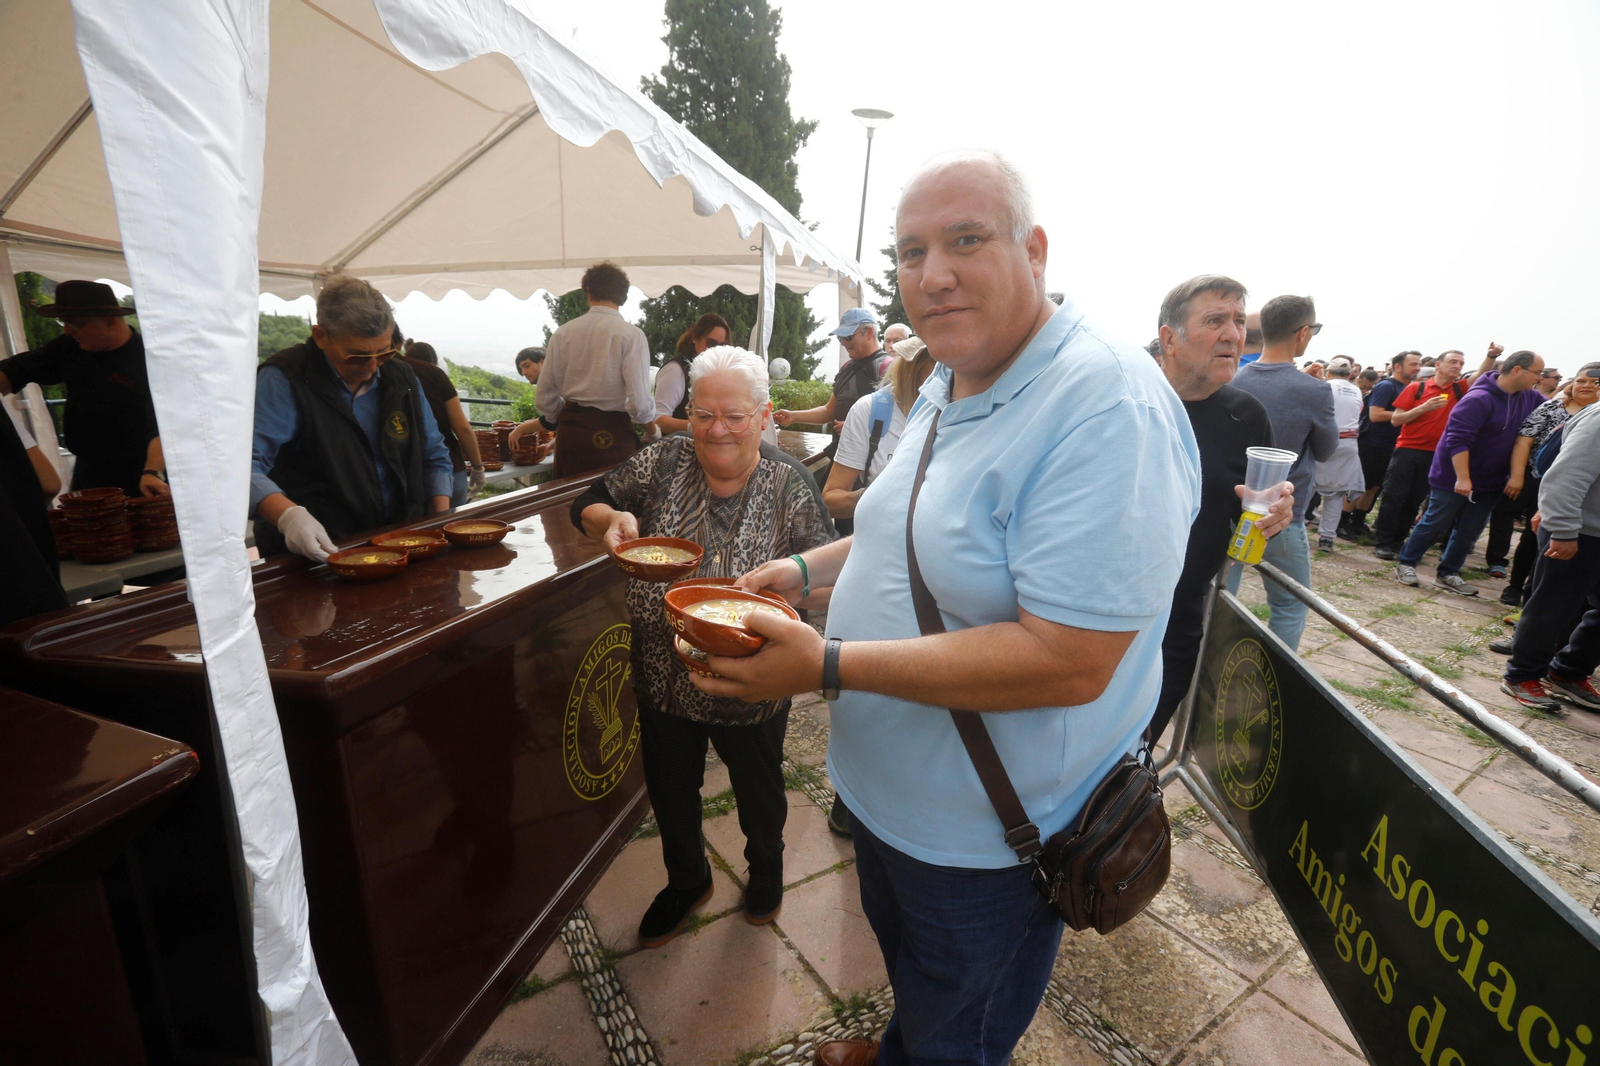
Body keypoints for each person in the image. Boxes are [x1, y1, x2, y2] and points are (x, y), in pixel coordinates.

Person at [696, 151, 1201, 1066]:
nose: (932, 275)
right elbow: (908, 527)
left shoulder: (1105, 404)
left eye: (966, 240)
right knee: (918, 980)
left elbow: (1071, 659)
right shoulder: (950, 372)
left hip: (989, 837)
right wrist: (803, 571)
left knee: (960, 1029)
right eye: (910, 251)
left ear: (1034, 250)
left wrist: (826, 663)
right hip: (889, 799)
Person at [571, 346, 833, 945]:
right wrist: (609, 520)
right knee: (670, 790)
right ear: (688, 413)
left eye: (735, 416)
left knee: (759, 791)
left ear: (763, 415)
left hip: (753, 682)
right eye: (703, 414)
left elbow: (826, 576)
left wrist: (792, 600)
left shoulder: (788, 483)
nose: (717, 430)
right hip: (661, 672)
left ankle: (765, 869)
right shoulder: (663, 460)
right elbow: (585, 501)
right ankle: (687, 880)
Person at [1150, 274, 1292, 745]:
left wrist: (1275, 516)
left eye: (1238, 321)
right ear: (1170, 338)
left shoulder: (1246, 416)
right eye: (1215, 321)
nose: (1234, 334)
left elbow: (1252, 511)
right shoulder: (1124, 398)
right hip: (1095, 612)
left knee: (1133, 754)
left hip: (1178, 619)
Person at [251, 275, 454, 560]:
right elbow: (246, 467)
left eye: (384, 353)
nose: (372, 368)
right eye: (357, 357)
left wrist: (438, 520)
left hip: (398, 539)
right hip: (319, 549)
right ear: (321, 336)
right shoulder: (283, 379)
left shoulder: (402, 376)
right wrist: (288, 515)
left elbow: (434, 453)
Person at [1227, 295, 1338, 650]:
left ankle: (1210, 664)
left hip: (1233, 508)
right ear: (1303, 333)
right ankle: (1273, 671)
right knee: (1290, 605)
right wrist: (1312, 390)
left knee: (1220, 596)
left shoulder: (1234, 378)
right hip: (1282, 513)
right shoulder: (1315, 390)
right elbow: (1326, 450)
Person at [1394, 348, 1547, 595]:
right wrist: (1463, 478)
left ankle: (1448, 572)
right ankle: (1407, 563)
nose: (1540, 378)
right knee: (1435, 521)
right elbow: (1458, 440)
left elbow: (1553, 410)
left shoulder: (1529, 397)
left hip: (1491, 479)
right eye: (1537, 372)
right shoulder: (1478, 398)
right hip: (1454, 476)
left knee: (1470, 530)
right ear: (1517, 370)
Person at [0, 280, 169, 499]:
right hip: (89, 473)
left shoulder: (149, 361)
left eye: (76, 323)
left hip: (142, 473)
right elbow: (16, 370)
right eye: (64, 322)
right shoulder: (70, 348)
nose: (68, 330)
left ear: (110, 322)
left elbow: (164, 425)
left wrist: (152, 471)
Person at [1499, 400, 1600, 712]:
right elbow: (1568, 474)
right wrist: (1564, 530)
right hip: (1581, 531)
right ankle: (1522, 675)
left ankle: (1568, 672)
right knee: (1551, 608)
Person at [531, 262, 656, 479]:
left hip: (571, 436)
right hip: (614, 435)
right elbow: (639, 405)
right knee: (613, 499)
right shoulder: (631, 335)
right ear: (623, 296)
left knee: (567, 499)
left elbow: (544, 400)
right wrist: (653, 432)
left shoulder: (562, 334)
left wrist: (570, 415)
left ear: (588, 292)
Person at [1491, 362, 1600, 606]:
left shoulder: (1595, 414)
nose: (1587, 386)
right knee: (1532, 538)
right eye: (1581, 380)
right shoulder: (1554, 406)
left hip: (1581, 493)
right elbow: (1524, 440)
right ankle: (1514, 586)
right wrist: (1517, 476)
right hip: (1537, 480)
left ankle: (1533, 598)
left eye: (1595, 382)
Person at [1371, 349, 1469, 559]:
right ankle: (1383, 541)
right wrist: (1423, 408)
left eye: (1461, 363)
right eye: (1453, 362)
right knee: (1394, 496)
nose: (1457, 366)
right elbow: (1396, 420)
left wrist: (1491, 357)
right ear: (1438, 365)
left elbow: (1481, 375)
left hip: (1436, 454)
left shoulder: (1459, 389)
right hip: (1408, 449)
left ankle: (1398, 541)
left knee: (1414, 500)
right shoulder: (1417, 387)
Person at [772, 307, 883, 451]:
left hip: (869, 461)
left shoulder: (884, 367)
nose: (843, 342)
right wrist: (793, 416)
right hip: (840, 455)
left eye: (848, 336)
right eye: (840, 337)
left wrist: (860, 428)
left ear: (869, 332)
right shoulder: (847, 367)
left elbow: (898, 418)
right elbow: (829, 411)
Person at [402, 341, 485, 506]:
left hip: (408, 472)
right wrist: (478, 467)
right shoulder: (435, 375)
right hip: (450, 467)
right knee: (452, 521)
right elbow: (462, 428)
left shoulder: (387, 373)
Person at [1364, 351, 1422, 556]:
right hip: (1375, 444)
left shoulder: (1411, 387)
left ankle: (1361, 522)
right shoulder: (1387, 386)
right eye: (1413, 364)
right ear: (1398, 366)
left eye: (1419, 364)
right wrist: (1411, 414)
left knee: (1377, 487)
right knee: (1366, 485)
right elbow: (1375, 415)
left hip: (1394, 445)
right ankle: (1348, 523)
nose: (1417, 368)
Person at [1314, 357, 1366, 552]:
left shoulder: (1323, 387)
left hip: (1323, 441)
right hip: (1348, 445)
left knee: (1307, 486)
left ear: (1328, 372)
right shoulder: (1356, 390)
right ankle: (1327, 538)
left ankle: (1293, 529)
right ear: (1350, 373)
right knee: (1337, 493)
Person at [651, 312, 730, 435]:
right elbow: (658, 419)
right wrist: (694, 426)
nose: (716, 349)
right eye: (711, 343)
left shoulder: (719, 373)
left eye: (722, 346)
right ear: (695, 337)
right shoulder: (676, 369)